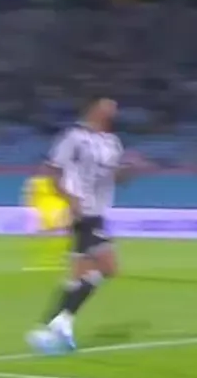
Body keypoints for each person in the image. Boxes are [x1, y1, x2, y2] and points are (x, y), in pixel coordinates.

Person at [26, 97, 135, 353]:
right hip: (83, 213)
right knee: (108, 267)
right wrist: (70, 199)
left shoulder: (113, 142)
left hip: (98, 212)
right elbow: (52, 171)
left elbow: (116, 179)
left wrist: (129, 170)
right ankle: (59, 322)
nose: (112, 112)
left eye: (114, 108)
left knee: (78, 277)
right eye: (107, 106)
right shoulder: (73, 137)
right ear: (93, 109)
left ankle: (54, 325)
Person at [21, 170, 70, 272]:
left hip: (55, 208)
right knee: (50, 232)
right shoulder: (38, 182)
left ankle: (57, 256)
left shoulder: (57, 182)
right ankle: (49, 256)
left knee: (57, 231)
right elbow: (29, 196)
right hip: (48, 209)